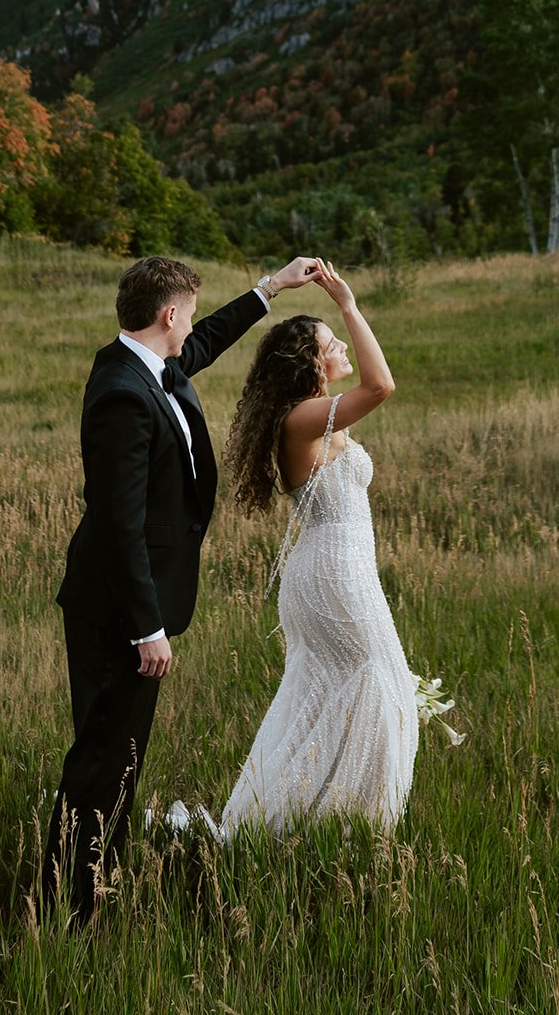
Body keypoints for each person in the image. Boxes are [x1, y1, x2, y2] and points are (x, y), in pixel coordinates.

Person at [41, 252, 318, 922]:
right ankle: (65, 904)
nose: (191, 327)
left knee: (120, 754)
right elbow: (117, 524)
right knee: (102, 757)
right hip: (119, 612)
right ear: (167, 314)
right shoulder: (120, 395)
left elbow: (202, 345)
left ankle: (96, 872)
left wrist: (269, 290)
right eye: (187, 313)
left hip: (134, 603)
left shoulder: (145, 364)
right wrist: (146, 626)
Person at [220, 258, 418, 838]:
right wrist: (349, 307)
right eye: (334, 344)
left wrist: (342, 316)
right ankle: (339, 825)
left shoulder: (316, 415)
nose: (345, 349)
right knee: (379, 683)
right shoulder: (304, 418)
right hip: (334, 573)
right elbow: (381, 385)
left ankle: (314, 821)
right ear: (311, 361)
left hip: (335, 568)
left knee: (343, 693)